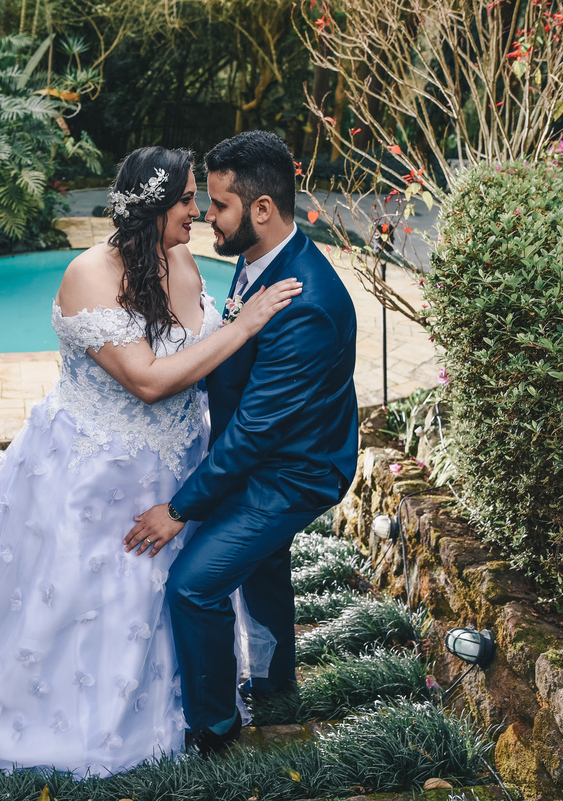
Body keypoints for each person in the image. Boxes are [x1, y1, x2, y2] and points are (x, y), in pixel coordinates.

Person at [0, 145, 303, 777]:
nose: (196, 213)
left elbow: (199, 365)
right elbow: (147, 380)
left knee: (174, 587)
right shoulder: (89, 276)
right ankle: (81, 718)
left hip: (177, 463)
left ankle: (192, 705)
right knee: (93, 590)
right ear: (154, 206)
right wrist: (242, 328)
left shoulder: (184, 262)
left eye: (200, 200)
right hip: (96, 470)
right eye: (188, 200)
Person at [126, 131, 360, 756]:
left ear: (261, 209)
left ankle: (215, 729)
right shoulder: (260, 261)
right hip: (261, 452)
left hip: (294, 472)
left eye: (219, 204)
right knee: (262, 562)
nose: (206, 214)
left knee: (193, 587)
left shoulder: (304, 300)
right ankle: (274, 680)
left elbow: (258, 432)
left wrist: (178, 511)